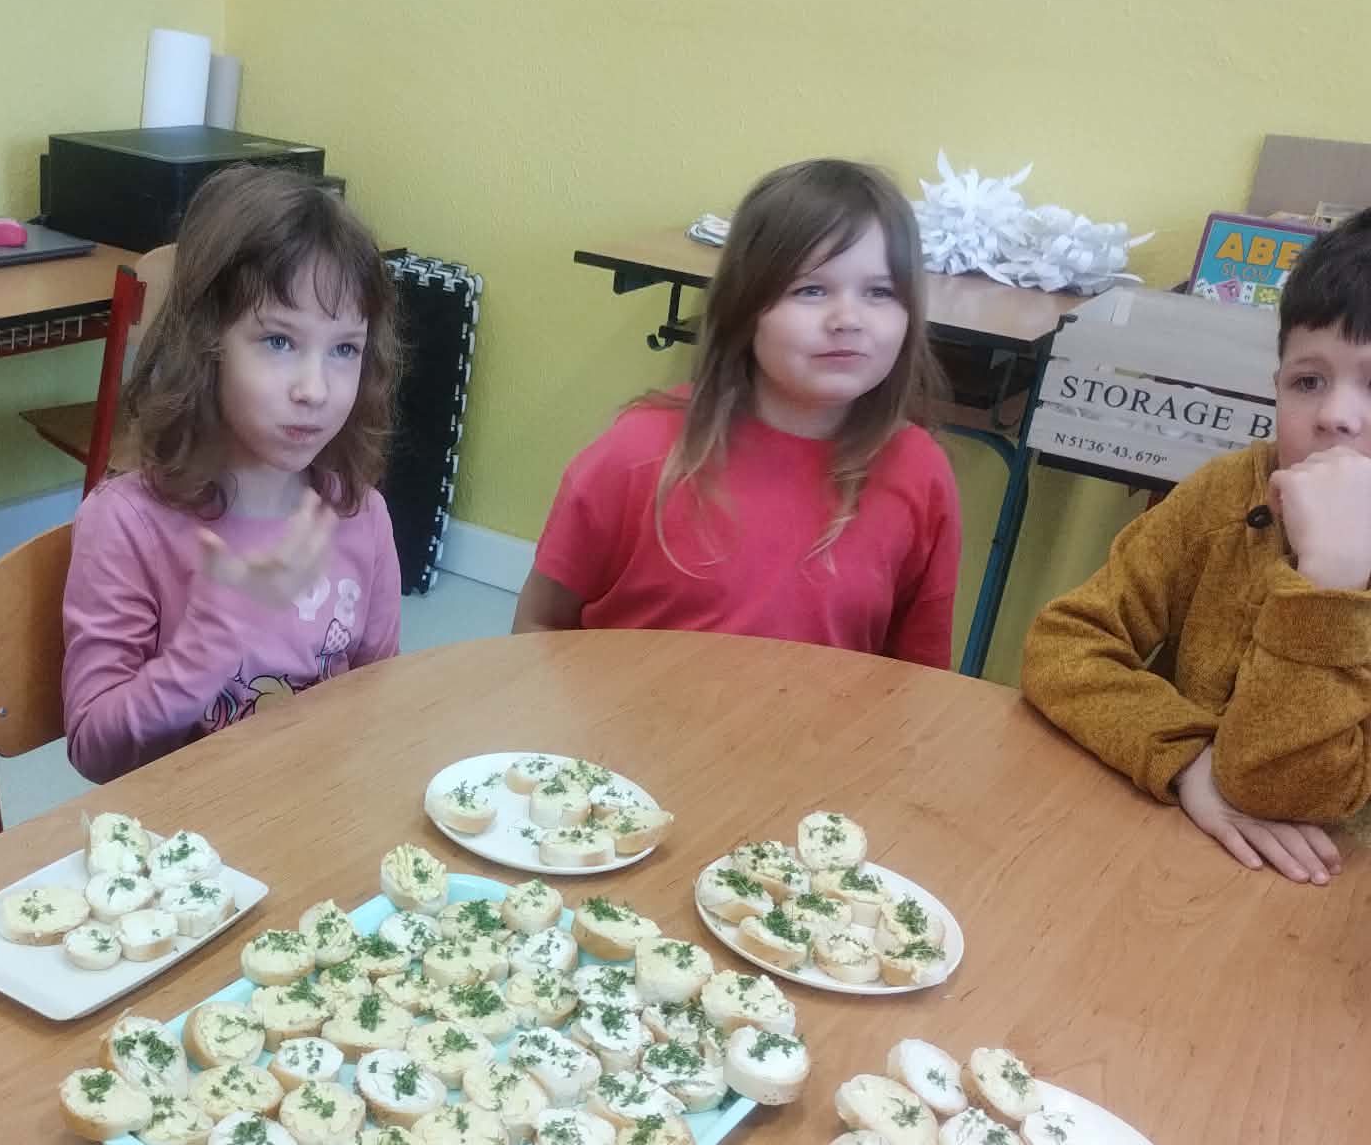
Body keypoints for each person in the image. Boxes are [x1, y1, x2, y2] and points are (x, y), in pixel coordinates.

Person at [1019, 208, 1371, 885]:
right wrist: (1186, 761)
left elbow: (1285, 793)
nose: (1334, 415)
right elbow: (1063, 642)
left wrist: (1328, 583)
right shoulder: (1229, 492)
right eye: (1308, 382)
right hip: (1172, 861)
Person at [513, 158, 961, 670]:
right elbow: (539, 625)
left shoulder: (921, 475)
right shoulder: (637, 452)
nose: (848, 319)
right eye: (811, 290)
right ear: (745, 309)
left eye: (880, 292)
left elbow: (915, 680)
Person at [61, 166, 403, 783]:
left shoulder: (361, 514)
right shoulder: (125, 524)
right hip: (184, 831)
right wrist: (214, 636)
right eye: (278, 342)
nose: (314, 389)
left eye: (344, 349)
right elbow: (95, 749)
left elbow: (377, 698)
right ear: (205, 345)